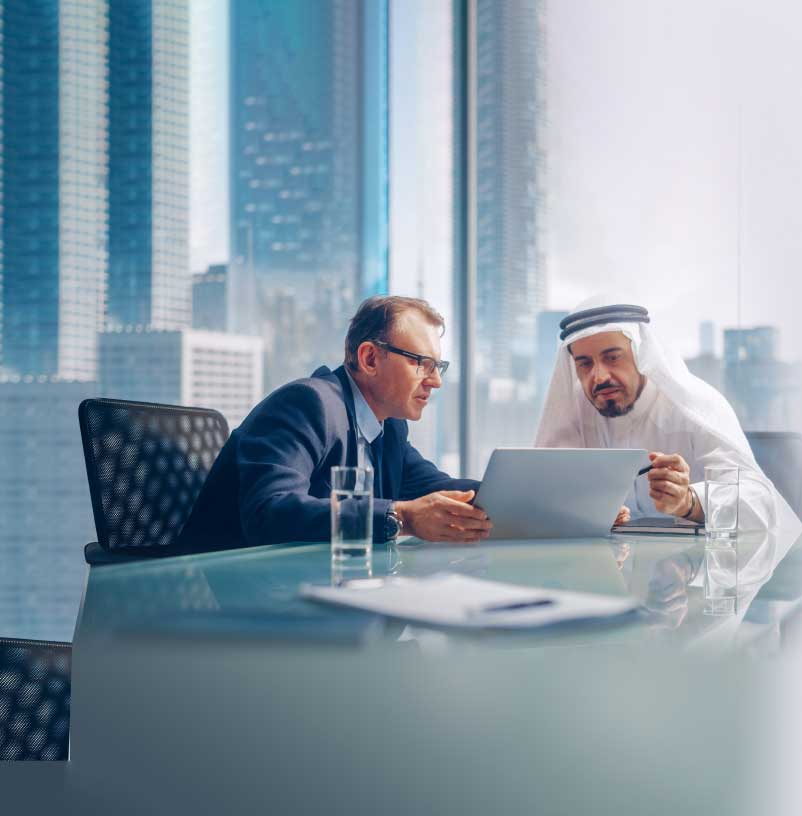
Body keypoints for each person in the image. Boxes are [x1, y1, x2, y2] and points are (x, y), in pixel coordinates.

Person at [179, 295, 492, 550]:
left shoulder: (390, 427)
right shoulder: (307, 404)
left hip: (310, 588)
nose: (435, 381)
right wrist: (402, 517)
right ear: (370, 358)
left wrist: (508, 495)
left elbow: (437, 490)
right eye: (422, 364)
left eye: (438, 366)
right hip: (222, 595)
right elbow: (268, 512)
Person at [535, 297, 797, 532]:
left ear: (642, 354)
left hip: (697, 577)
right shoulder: (576, 409)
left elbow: (761, 504)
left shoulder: (695, 404)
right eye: (585, 364)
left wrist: (688, 502)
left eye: (613, 358)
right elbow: (544, 491)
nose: (599, 376)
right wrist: (500, 516)